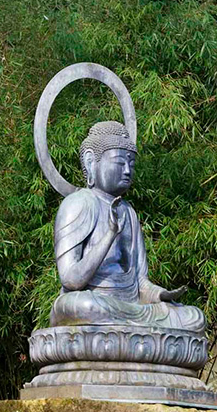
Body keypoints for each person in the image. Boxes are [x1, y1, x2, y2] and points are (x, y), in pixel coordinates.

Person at [50, 121, 205, 334]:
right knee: (81, 307)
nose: (127, 170)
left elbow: (141, 281)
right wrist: (110, 234)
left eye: (131, 164)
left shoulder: (128, 211)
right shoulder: (78, 203)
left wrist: (161, 295)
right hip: (93, 301)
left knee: (193, 318)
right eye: (119, 162)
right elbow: (70, 279)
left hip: (132, 306)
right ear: (90, 162)